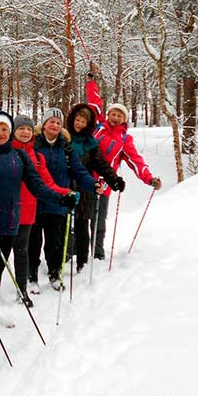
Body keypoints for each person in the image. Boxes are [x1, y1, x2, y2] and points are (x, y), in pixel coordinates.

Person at [0, 111, 76, 327]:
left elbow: (37, 185)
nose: (1, 133)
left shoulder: (19, 156)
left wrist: (61, 198)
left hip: (11, 219)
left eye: (5, 129)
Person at [85, 63, 162, 260]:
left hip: (105, 183)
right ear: (108, 114)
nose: (116, 117)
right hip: (85, 178)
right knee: (79, 217)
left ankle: (98, 253)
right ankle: (76, 252)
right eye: (113, 113)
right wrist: (90, 82)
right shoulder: (98, 126)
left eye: (120, 115)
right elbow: (94, 103)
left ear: (124, 119)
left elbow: (136, 161)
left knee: (99, 221)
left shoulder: (125, 140)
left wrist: (149, 178)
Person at [28, 107, 100, 291]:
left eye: (58, 123)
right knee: (33, 242)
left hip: (59, 202)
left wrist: (93, 184)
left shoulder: (66, 148)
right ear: (43, 124)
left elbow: (78, 170)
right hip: (35, 202)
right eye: (51, 121)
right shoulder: (33, 144)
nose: (54, 125)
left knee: (56, 242)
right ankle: (32, 276)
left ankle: (54, 273)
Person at [11, 114, 71, 302]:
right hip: (8, 211)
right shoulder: (6, 152)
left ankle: (29, 283)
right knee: (8, 254)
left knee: (26, 249)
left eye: (28, 129)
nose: (25, 132)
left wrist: (65, 193)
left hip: (30, 210)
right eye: (21, 128)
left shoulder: (37, 156)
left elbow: (46, 182)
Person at [66, 102, 124, 272]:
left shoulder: (90, 143)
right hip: (64, 187)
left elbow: (101, 164)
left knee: (82, 225)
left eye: (83, 122)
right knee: (64, 225)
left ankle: (82, 263)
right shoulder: (64, 138)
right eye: (77, 120)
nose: (79, 124)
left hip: (85, 188)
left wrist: (114, 180)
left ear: (88, 125)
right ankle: (64, 257)